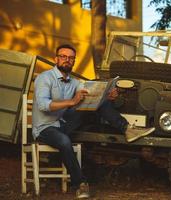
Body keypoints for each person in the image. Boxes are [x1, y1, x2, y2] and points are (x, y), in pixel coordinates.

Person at [32, 44, 155, 199]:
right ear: (56, 59)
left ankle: (127, 129)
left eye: (71, 58)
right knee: (64, 141)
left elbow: (90, 95)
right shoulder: (44, 78)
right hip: (45, 128)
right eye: (63, 57)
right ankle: (81, 184)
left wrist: (107, 97)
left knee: (99, 102)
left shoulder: (75, 82)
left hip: (64, 123)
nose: (67, 60)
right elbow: (43, 105)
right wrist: (71, 101)